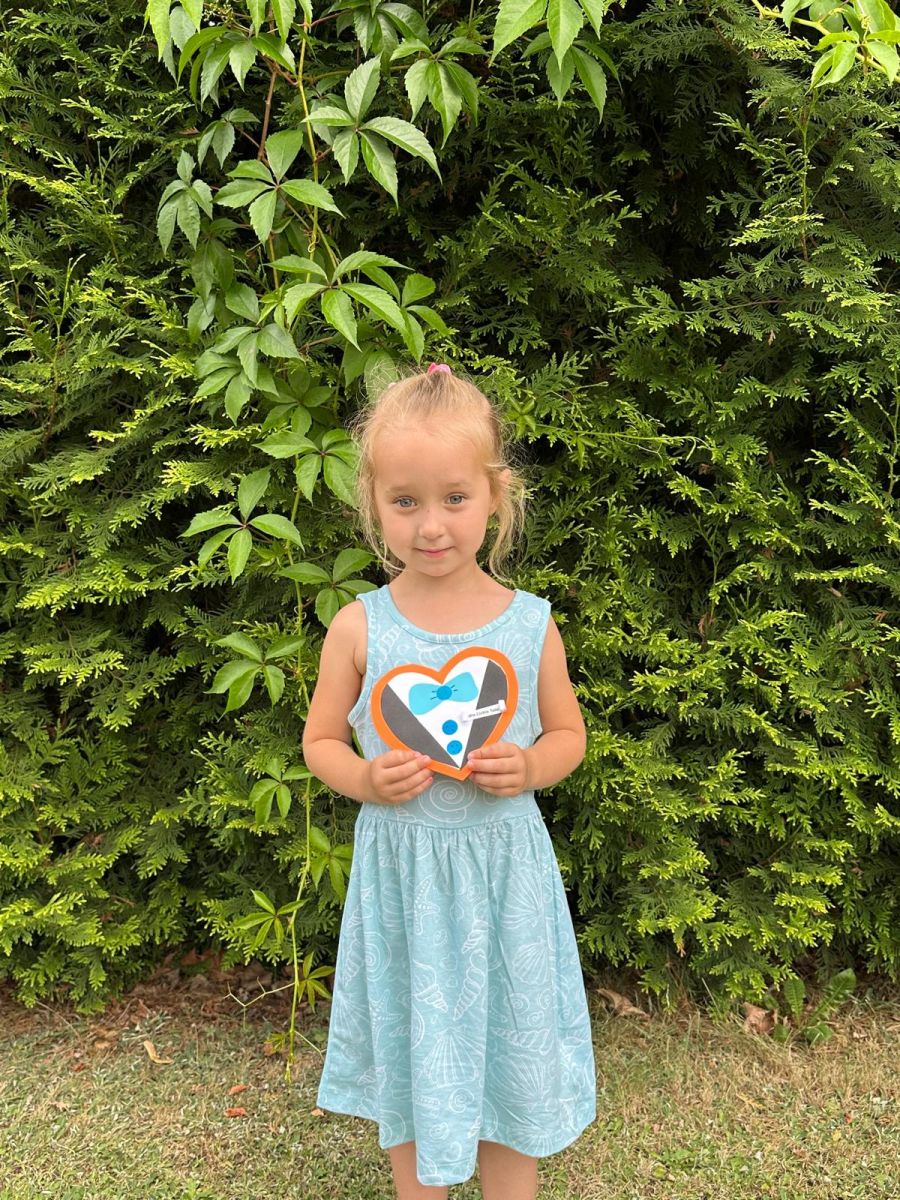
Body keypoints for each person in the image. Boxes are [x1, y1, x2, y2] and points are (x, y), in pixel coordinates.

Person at [302, 362, 597, 1200]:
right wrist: (366, 777)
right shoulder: (358, 627)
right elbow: (320, 742)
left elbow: (570, 735)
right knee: (413, 1042)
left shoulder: (529, 625)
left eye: (455, 498)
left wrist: (530, 764)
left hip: (505, 879)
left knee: (510, 1044)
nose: (431, 525)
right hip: (405, 885)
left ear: (495, 496)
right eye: (405, 502)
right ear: (373, 504)